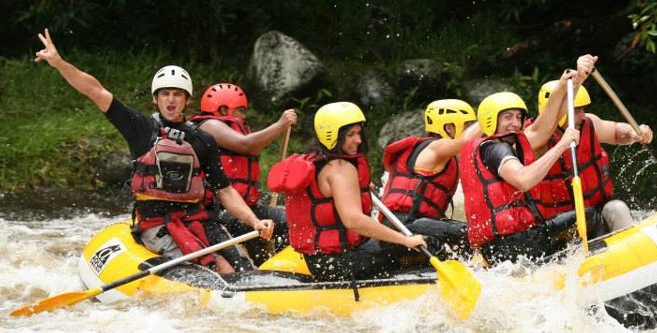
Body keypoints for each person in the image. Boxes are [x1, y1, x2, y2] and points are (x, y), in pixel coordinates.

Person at [34, 28, 273, 275]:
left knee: (244, 269)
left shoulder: (203, 140)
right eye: (165, 94)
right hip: (158, 225)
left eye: (177, 94)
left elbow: (225, 191)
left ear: (187, 99)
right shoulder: (141, 129)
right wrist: (59, 63)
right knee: (219, 269)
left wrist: (254, 222)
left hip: (198, 221)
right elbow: (96, 91)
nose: (171, 100)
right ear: (156, 99)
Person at [460, 55, 596, 266]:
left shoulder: (499, 145)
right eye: (508, 117)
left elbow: (542, 128)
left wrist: (573, 83)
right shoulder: (495, 150)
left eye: (518, 117)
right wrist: (561, 145)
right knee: (589, 216)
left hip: (509, 244)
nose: (515, 123)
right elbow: (523, 180)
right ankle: (600, 268)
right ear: (490, 120)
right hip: (517, 244)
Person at [267, 101, 427, 281]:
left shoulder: (316, 161)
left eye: (358, 133)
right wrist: (406, 241)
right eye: (350, 134)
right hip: (343, 263)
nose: (358, 140)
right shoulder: (341, 169)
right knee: (426, 242)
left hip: (319, 262)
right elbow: (353, 220)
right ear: (332, 135)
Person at [190, 83, 297, 266]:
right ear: (223, 109)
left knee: (292, 222)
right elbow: (246, 144)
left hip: (245, 207)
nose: (243, 116)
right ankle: (261, 270)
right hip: (222, 211)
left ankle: (284, 266)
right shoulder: (209, 126)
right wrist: (280, 125)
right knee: (248, 229)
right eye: (240, 110)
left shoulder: (228, 127)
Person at [535, 80, 654, 233]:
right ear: (555, 110)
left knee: (617, 209)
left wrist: (634, 132)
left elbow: (616, 132)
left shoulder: (587, 123)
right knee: (587, 217)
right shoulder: (536, 140)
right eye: (576, 111)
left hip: (597, 213)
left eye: (582, 109)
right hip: (561, 225)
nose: (582, 115)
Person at [380, 99, 481, 258]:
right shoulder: (433, 148)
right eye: (467, 126)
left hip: (414, 225)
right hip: (402, 225)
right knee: (467, 233)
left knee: (473, 231)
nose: (472, 131)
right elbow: (464, 141)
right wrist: (489, 117)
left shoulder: (442, 155)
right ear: (449, 128)